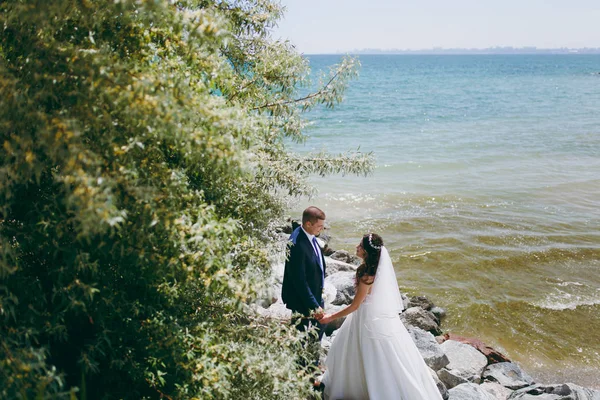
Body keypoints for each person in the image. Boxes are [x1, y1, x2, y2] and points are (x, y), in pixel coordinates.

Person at [317, 233, 443, 400]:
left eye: (360, 246)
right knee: (387, 357)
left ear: (367, 252)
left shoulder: (365, 275)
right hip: (379, 317)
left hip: (365, 319)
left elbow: (355, 305)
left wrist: (330, 317)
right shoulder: (378, 271)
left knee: (357, 353)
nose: (356, 246)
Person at [281, 206, 327, 368]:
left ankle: (309, 364)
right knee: (302, 334)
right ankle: (303, 369)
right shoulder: (297, 244)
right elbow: (299, 280)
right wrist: (314, 306)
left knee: (318, 329)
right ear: (308, 224)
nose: (322, 229)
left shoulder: (310, 237)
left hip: (314, 294)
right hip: (302, 299)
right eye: (319, 226)